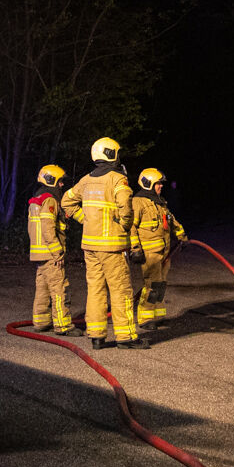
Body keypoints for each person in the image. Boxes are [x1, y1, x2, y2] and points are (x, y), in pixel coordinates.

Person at [62, 137, 142, 349]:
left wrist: (84, 219)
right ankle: (126, 337)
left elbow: (66, 201)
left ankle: (96, 336)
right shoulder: (117, 179)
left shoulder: (85, 180)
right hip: (112, 247)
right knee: (120, 290)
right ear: (111, 154)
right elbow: (125, 206)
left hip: (90, 246)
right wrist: (125, 225)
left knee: (95, 290)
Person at [130, 167, 186, 335]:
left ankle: (158, 314)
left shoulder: (159, 202)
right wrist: (135, 249)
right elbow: (131, 227)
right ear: (148, 184)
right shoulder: (138, 202)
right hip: (150, 253)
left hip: (164, 252)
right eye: (158, 183)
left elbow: (171, 220)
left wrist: (182, 235)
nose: (161, 186)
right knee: (152, 285)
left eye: (161, 183)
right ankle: (145, 318)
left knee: (160, 284)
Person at [27, 164, 75, 334]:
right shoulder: (50, 200)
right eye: (60, 181)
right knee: (59, 289)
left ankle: (41, 322)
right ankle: (63, 326)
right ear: (51, 180)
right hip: (50, 254)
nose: (62, 184)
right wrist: (57, 253)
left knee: (42, 289)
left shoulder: (37, 199)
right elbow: (48, 228)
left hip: (39, 254)